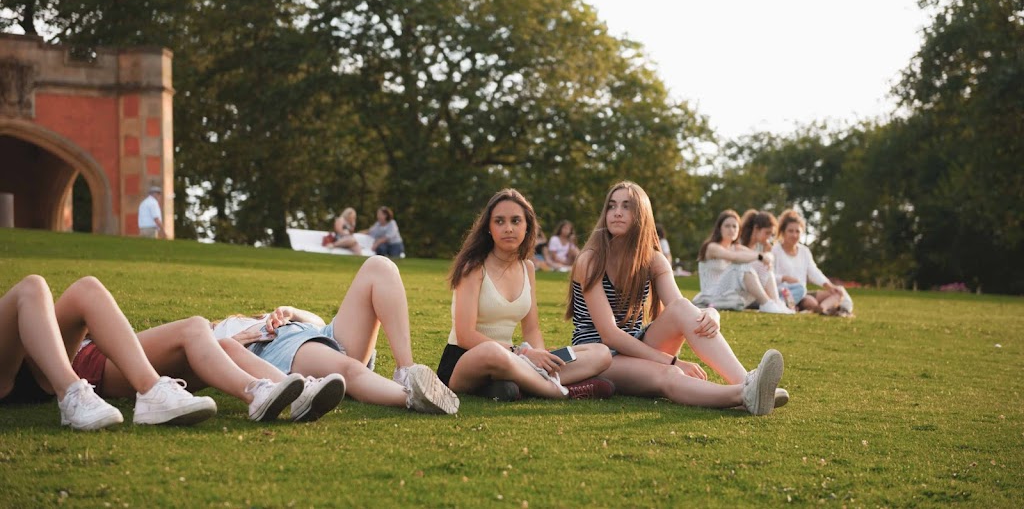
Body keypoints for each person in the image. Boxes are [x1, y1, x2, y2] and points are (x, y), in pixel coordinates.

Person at [567, 181, 788, 415]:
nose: (617, 212)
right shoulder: (589, 261)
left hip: (637, 343)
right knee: (670, 373)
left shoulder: (653, 260)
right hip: (598, 356)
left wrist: (711, 313)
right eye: (612, 207)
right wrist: (670, 361)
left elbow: (680, 309)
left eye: (627, 206)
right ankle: (742, 394)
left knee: (682, 308)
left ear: (642, 215)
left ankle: (747, 382)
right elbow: (609, 334)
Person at [214, 256, 459, 415]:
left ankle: (406, 371)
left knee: (379, 267)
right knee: (349, 370)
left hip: (320, 334)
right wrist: (235, 342)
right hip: (278, 347)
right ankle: (412, 397)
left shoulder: (247, 318)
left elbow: (318, 323)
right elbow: (209, 361)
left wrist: (291, 311)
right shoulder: (206, 334)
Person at [437, 189, 614, 402]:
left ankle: (519, 384)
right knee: (493, 352)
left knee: (600, 353)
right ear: (489, 228)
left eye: (516, 221)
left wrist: (541, 357)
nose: (508, 228)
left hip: (516, 358)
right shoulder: (473, 268)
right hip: (467, 358)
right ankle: (559, 391)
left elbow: (531, 329)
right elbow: (465, 335)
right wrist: (524, 353)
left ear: (527, 226)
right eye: (499, 221)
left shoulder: (527, 268)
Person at [1, 275, 216, 429]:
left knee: (86, 287)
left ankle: (151, 391)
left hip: (37, 371)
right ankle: (71, 393)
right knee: (31, 286)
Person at [692, 209, 793, 314]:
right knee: (741, 266)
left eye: (734, 226)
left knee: (760, 264)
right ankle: (766, 303)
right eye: (727, 226)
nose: (731, 229)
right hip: (712, 295)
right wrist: (761, 256)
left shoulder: (736, 247)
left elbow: (762, 257)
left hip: (731, 295)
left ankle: (775, 303)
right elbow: (735, 257)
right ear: (719, 228)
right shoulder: (712, 247)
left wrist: (766, 256)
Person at [772, 210, 851, 315]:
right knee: (811, 302)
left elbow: (814, 272)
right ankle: (823, 309)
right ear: (782, 232)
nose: (794, 235)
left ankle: (823, 309)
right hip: (784, 293)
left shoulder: (804, 251)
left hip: (803, 292)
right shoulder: (775, 250)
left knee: (839, 292)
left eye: (797, 231)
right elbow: (769, 276)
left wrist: (830, 286)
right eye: (790, 231)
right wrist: (784, 278)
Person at [737, 210, 796, 310]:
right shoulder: (739, 242)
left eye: (771, 234)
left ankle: (776, 303)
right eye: (767, 233)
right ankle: (773, 303)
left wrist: (767, 253)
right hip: (739, 284)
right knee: (763, 265)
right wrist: (764, 257)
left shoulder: (761, 246)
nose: (769, 237)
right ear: (756, 229)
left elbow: (768, 265)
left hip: (754, 290)